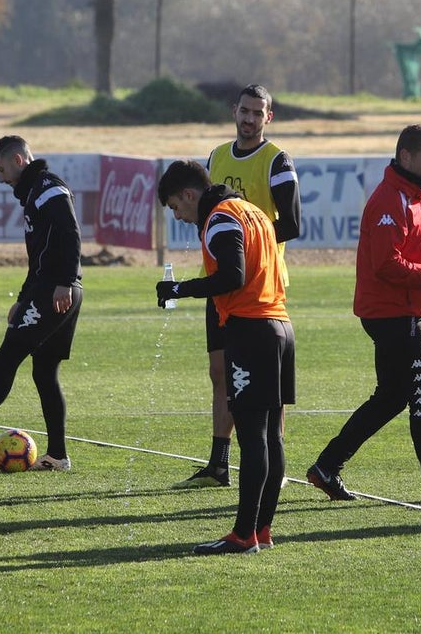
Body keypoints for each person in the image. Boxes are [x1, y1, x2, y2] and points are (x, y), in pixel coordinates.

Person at [306, 124, 421, 505]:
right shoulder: (390, 199)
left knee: (391, 397)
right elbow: (386, 264)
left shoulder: (412, 197)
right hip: (393, 314)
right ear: (406, 157)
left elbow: (410, 252)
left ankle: (327, 466)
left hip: (401, 310)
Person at [157, 159, 295, 554]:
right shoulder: (252, 211)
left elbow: (232, 275)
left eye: (175, 207)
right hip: (280, 326)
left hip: (251, 331)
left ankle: (244, 535)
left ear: (189, 194)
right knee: (271, 436)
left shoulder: (219, 218)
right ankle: (262, 530)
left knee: (253, 438)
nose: (178, 216)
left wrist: (179, 289)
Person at [173, 83, 301, 489]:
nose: (249, 119)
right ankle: (218, 464)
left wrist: (246, 242)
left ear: (268, 117)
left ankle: (274, 465)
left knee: (268, 385)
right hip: (221, 284)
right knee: (220, 372)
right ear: (234, 111)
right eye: (244, 111)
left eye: (257, 113)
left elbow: (293, 223)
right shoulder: (216, 157)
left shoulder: (276, 160)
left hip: (260, 284)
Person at [0, 136, 83, 471]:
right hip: (49, 289)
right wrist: (24, 298)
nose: (0, 178)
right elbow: (39, 256)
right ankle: (57, 456)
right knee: (44, 372)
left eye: (1, 169)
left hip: (56, 291)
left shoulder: (48, 189)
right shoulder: (35, 192)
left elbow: (70, 233)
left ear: (18, 160)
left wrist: (65, 282)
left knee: (7, 355)